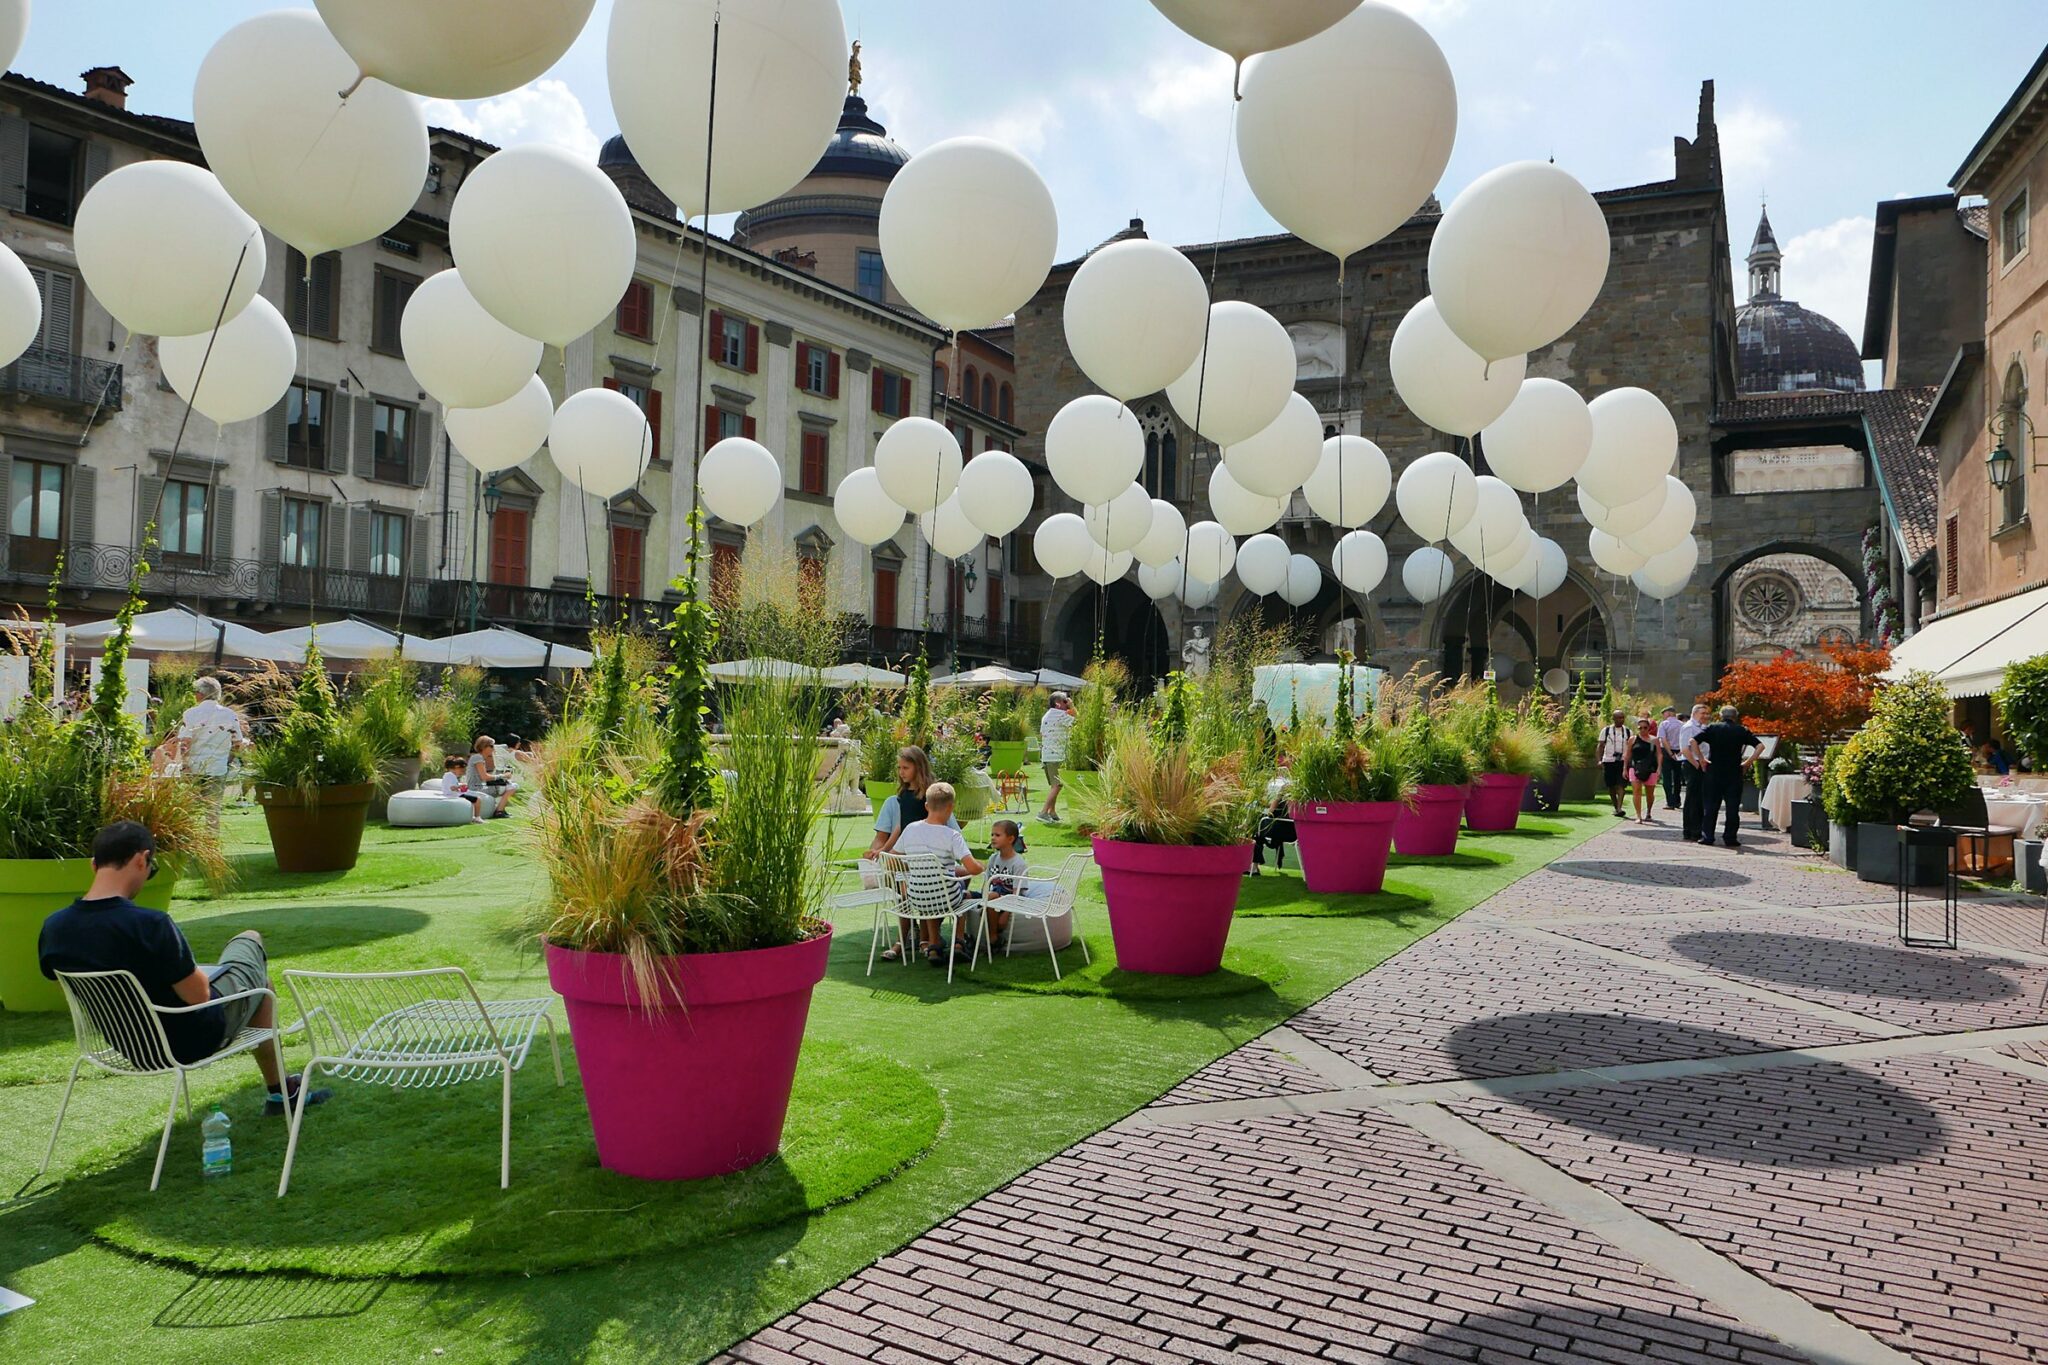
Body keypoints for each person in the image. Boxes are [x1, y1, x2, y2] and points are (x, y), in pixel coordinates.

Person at [37, 821, 330, 1115]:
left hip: (128, 1047)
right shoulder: (151, 925)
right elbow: (198, 997)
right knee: (252, 951)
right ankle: (282, 1094)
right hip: (188, 1042)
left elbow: (70, 992)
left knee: (248, 985)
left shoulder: (54, 928)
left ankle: (282, 1094)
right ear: (142, 859)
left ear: (93, 865)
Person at [889, 783, 985, 966]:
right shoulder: (952, 835)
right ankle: (958, 943)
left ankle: (934, 946)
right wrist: (982, 867)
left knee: (934, 892)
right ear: (951, 808)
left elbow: (892, 858)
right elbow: (972, 868)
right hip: (945, 896)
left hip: (916, 897)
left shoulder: (910, 829)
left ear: (926, 806)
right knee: (962, 894)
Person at [173, 676, 248, 827]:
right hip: (218, 767)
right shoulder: (229, 714)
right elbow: (238, 743)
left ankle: (189, 840)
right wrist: (228, 759)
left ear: (200, 694)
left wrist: (184, 763)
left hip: (194, 766)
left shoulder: (190, 713)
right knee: (213, 810)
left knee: (188, 809)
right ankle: (211, 842)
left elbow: (185, 743)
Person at [1688, 705, 1763, 849]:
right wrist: (1748, 762)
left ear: (1721, 715)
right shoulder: (1741, 730)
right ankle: (1730, 837)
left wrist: (1702, 759)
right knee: (1732, 807)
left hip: (1714, 771)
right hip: (1734, 772)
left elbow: (1692, 741)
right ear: (1735, 716)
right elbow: (1760, 746)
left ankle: (1708, 836)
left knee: (1710, 806)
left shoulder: (1713, 728)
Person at [977, 819, 1029, 955]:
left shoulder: (1018, 863)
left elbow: (1017, 893)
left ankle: (992, 939)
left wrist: (1007, 913)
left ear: (1011, 839)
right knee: (966, 895)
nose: (993, 838)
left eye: (997, 835)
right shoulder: (993, 859)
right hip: (994, 897)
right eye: (992, 835)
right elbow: (987, 884)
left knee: (993, 900)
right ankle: (991, 939)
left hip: (1009, 899)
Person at [1036, 692, 1076, 824]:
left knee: (1055, 785)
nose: (1068, 703)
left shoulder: (1047, 715)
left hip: (1047, 755)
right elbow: (1076, 721)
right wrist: (1073, 706)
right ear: (1058, 703)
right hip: (1057, 755)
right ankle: (1043, 812)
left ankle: (1052, 812)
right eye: (1065, 701)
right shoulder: (1059, 714)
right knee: (1058, 785)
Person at [1677, 702, 1711, 841]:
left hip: (1703, 764)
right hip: (1693, 764)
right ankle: (1690, 829)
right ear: (1695, 713)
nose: (1705, 716)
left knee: (1700, 798)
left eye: (1706, 713)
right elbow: (1685, 749)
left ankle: (1699, 827)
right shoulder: (1688, 727)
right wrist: (1697, 765)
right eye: (1702, 713)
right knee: (1692, 798)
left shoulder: (1705, 728)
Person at [465, 735, 515, 816]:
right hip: (477, 788)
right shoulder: (478, 758)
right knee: (512, 787)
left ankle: (500, 809)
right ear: (484, 746)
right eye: (491, 746)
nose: (493, 748)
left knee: (508, 784)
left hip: (479, 786)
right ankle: (499, 811)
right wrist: (503, 776)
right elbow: (484, 777)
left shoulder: (478, 758)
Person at [1627, 717, 1662, 824]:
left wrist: (1659, 768)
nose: (1642, 730)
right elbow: (1628, 754)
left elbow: (1659, 755)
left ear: (1649, 728)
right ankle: (1638, 815)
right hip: (1635, 767)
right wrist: (1625, 768)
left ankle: (1649, 811)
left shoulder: (1654, 740)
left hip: (1650, 768)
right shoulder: (1632, 739)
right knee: (1636, 791)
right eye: (1640, 728)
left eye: (1645, 728)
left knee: (1649, 793)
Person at [1597, 709, 1631, 815]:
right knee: (1611, 785)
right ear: (1613, 719)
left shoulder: (1628, 731)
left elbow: (1631, 747)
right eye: (1618, 718)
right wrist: (1599, 760)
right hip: (1609, 760)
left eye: (1622, 717)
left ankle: (1620, 808)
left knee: (1621, 785)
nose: (1621, 720)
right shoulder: (1606, 730)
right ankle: (1616, 806)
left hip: (1622, 761)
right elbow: (1600, 746)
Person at [1654, 706, 1685, 811]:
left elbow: (1663, 739)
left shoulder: (1664, 724)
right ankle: (1677, 800)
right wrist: (1680, 751)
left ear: (1668, 713)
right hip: (1679, 752)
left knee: (1667, 777)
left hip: (1667, 752)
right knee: (1677, 777)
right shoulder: (1682, 725)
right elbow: (1684, 739)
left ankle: (1670, 802)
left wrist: (1670, 753)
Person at [440, 755, 484, 821]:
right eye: (462, 771)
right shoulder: (450, 775)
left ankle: (473, 816)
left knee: (473, 796)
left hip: (453, 794)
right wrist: (460, 786)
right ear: (457, 767)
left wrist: (460, 788)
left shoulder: (449, 775)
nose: (462, 773)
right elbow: (452, 788)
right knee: (478, 800)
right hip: (454, 795)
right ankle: (477, 817)